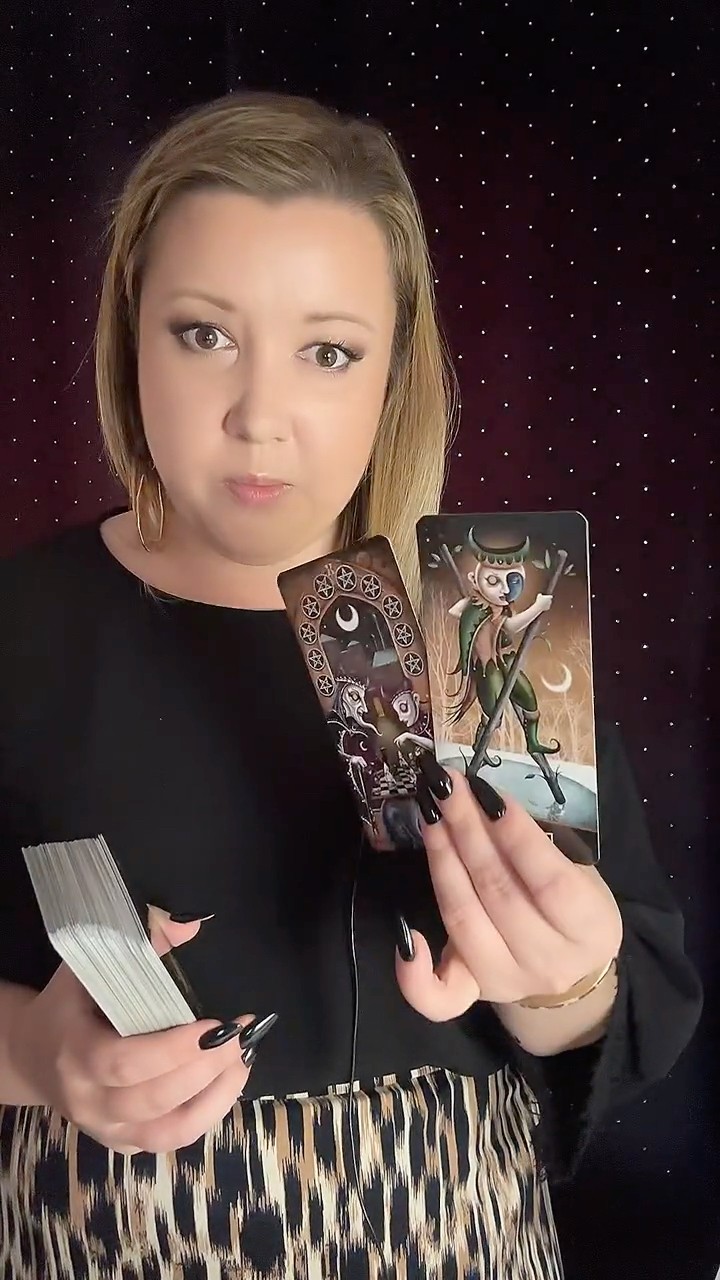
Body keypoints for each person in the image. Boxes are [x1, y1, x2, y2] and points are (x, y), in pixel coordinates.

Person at [0, 90, 702, 1280]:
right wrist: (30, 1051)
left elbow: (620, 1020)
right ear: (129, 335)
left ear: (393, 371)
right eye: (203, 333)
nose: (259, 417)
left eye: (327, 350)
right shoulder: (20, 626)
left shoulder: (493, 633)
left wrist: (564, 980)